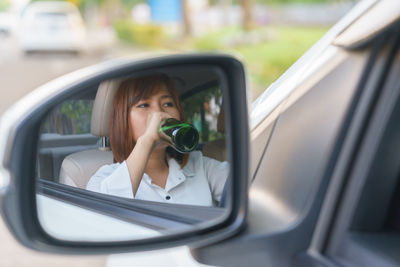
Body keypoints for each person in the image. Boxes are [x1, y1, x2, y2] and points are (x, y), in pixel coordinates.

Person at [86, 74, 229, 207]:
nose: (159, 114)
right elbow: (107, 214)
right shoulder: (104, 178)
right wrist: (147, 139)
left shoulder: (201, 166)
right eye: (143, 105)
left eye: (167, 104)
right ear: (124, 120)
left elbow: (247, 189)